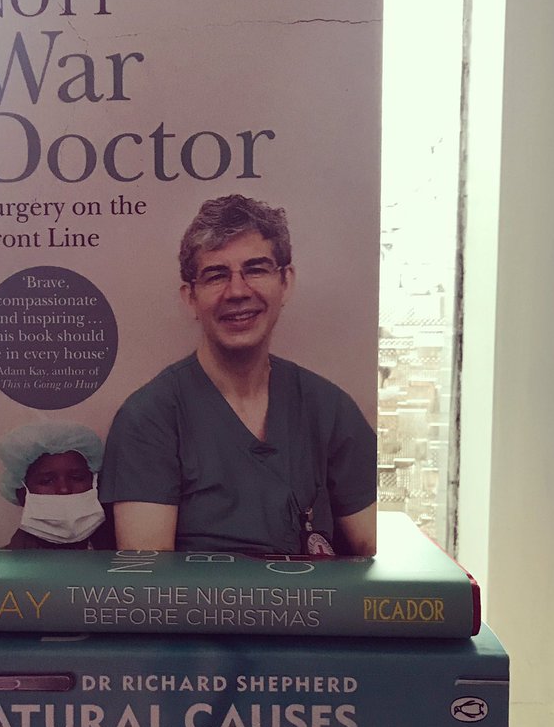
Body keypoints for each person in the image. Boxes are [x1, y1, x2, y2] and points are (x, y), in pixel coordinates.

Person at [99, 194, 377, 556]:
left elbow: (374, 548)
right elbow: (151, 581)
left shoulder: (330, 410)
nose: (237, 291)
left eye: (256, 269)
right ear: (190, 297)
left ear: (286, 282)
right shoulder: (148, 420)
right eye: (216, 275)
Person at [0, 422, 115, 550]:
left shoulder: (120, 548)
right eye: (46, 481)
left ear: (95, 482)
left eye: (77, 478)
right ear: (21, 492)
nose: (64, 489)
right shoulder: (5, 561)